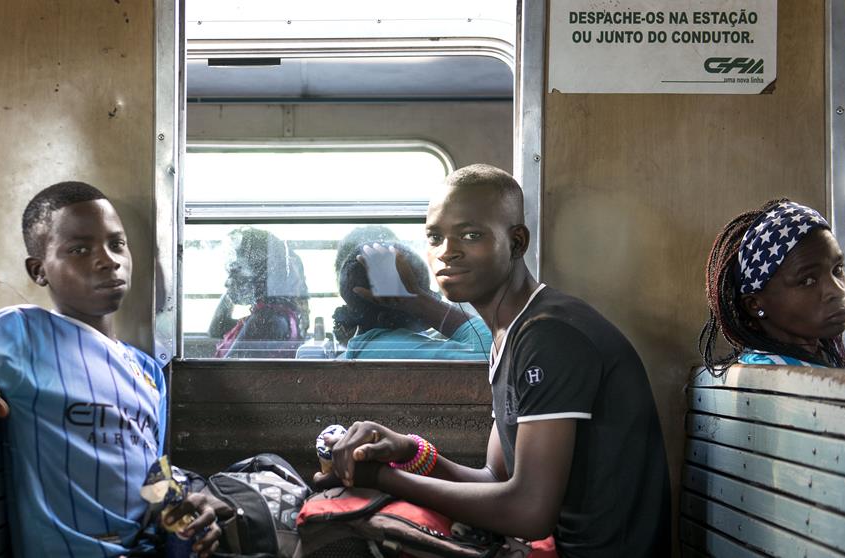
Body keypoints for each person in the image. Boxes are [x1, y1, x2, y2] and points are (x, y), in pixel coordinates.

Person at [318, 164, 671, 558]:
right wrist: (405, 451)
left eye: (470, 235)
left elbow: (529, 512)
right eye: (434, 237)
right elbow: (494, 478)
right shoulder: (510, 334)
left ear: (517, 242)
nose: (446, 251)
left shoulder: (550, 336)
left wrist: (384, 479)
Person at [0, 182, 229, 557]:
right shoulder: (25, 334)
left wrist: (186, 508)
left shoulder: (147, 370)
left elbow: (152, 479)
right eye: (80, 250)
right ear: (39, 271)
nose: (108, 260)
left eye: (117, 244)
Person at [700, 198, 845, 370]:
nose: (838, 290)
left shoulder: (808, 365)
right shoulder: (783, 376)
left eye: (837, 269)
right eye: (807, 281)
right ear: (754, 304)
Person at [334, 241, 491, 360]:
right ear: (386, 318)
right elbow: (496, 350)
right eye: (420, 291)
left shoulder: (371, 346)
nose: (432, 297)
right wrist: (420, 302)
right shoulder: (393, 348)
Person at [209, 227, 310, 358]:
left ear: (261, 273)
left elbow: (229, 370)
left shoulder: (267, 321)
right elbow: (216, 329)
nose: (227, 282)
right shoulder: (273, 314)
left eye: (236, 271)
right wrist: (232, 289)